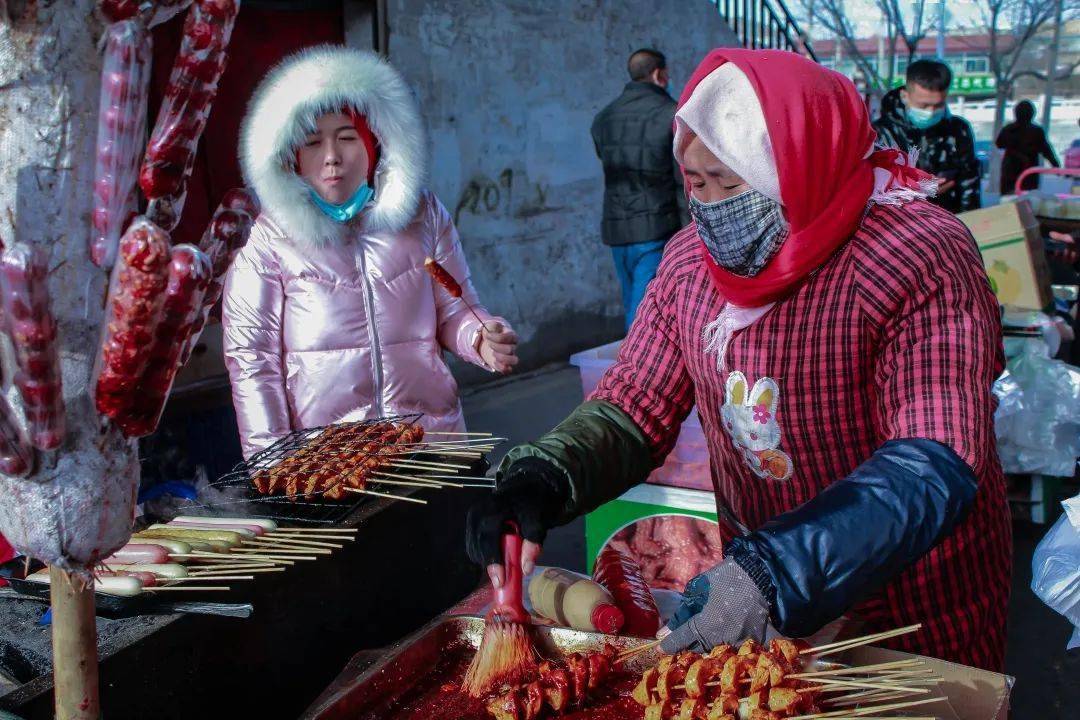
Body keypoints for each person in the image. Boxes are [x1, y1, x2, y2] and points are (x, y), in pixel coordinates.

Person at [467, 49, 1011, 671]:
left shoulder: (915, 256)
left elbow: (934, 455)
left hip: (913, 598)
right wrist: (547, 476)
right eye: (696, 183)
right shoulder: (687, 266)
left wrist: (783, 567)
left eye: (733, 182)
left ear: (806, 164)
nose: (713, 208)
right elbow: (634, 403)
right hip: (757, 594)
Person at [223, 46, 518, 458]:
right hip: (333, 466)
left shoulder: (423, 215)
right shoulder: (268, 240)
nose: (331, 157)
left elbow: (455, 311)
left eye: (347, 138)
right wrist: (272, 461)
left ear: (373, 144)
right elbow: (253, 360)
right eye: (312, 143)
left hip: (433, 445)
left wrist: (482, 340)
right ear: (291, 156)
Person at [591, 48, 689, 329]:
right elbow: (682, 180)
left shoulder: (604, 118)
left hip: (618, 230)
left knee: (634, 304)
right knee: (645, 316)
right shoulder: (670, 115)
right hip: (657, 228)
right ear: (659, 75)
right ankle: (634, 371)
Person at [874, 59, 981, 213]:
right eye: (923, 106)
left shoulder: (959, 130)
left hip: (950, 219)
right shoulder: (880, 133)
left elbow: (969, 184)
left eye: (938, 105)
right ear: (905, 96)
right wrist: (921, 191)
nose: (931, 111)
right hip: (901, 225)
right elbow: (876, 189)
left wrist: (971, 223)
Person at [996, 100, 1060, 195]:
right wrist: (1056, 167)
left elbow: (999, 144)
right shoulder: (1037, 131)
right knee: (1027, 202)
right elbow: (1047, 151)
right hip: (1029, 173)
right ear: (1032, 114)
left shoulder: (1008, 129)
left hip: (1010, 172)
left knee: (1009, 202)